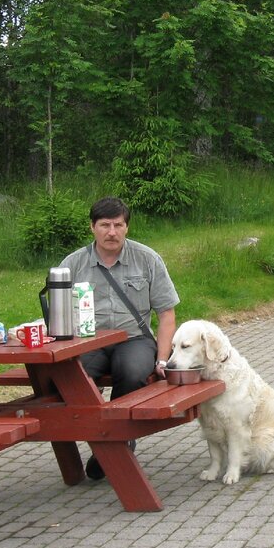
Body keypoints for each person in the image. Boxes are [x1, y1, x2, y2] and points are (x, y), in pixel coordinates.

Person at [60, 196, 179, 479]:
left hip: (134, 338)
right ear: (92, 227)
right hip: (88, 340)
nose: (111, 232)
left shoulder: (147, 259)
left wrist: (163, 359)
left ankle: (118, 441)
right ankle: (105, 442)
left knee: (133, 371)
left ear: (126, 228)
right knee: (73, 378)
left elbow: (167, 315)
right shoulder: (72, 263)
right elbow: (59, 314)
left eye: (118, 225)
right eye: (104, 225)